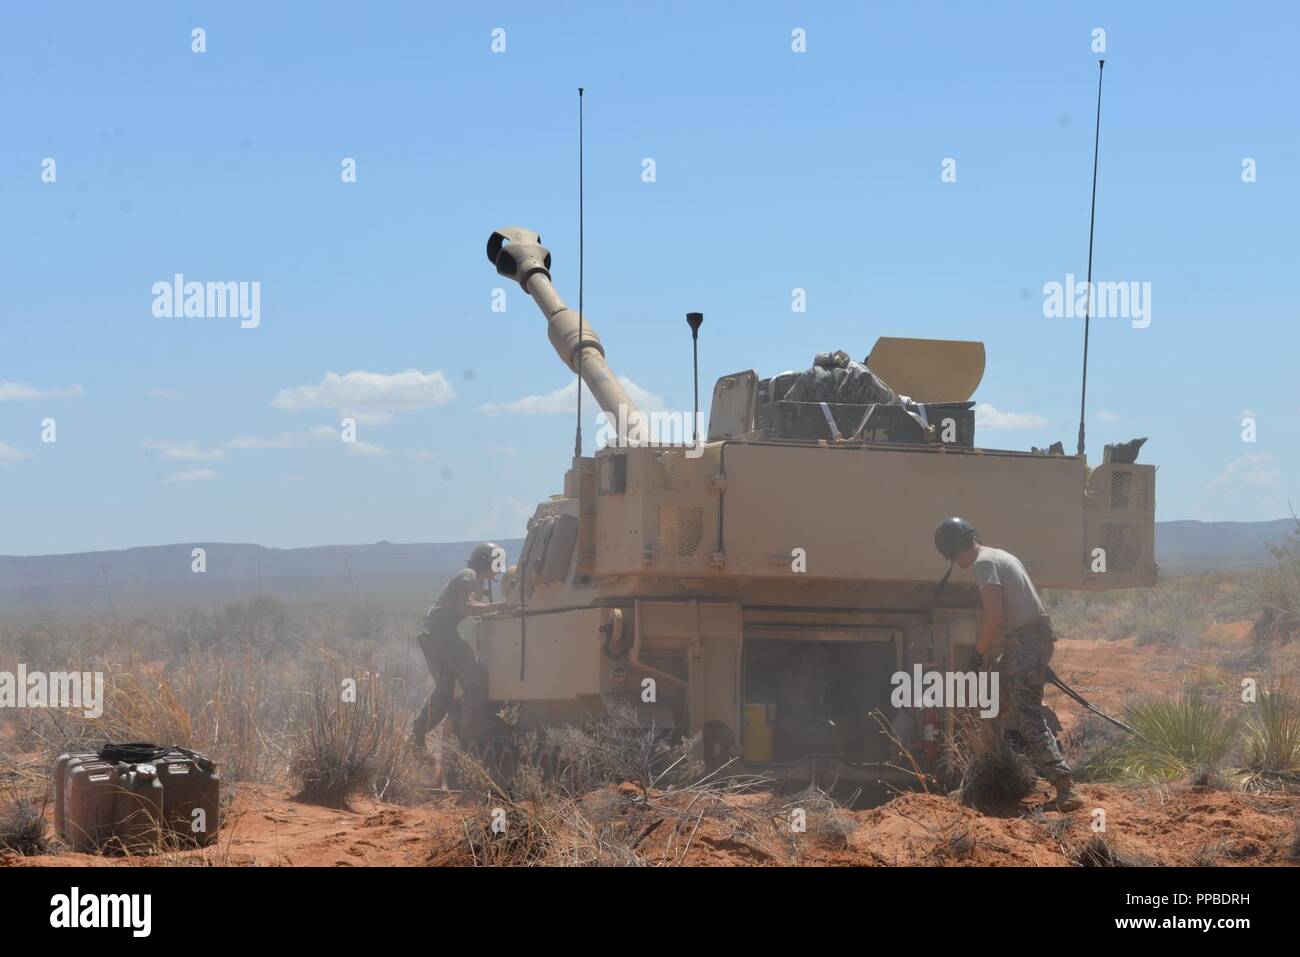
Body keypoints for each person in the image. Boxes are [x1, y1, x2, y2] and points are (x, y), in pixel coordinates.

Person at [933, 517, 1084, 812]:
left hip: (1025, 642)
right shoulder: (999, 554)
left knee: (1026, 712)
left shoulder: (984, 564)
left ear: (952, 550)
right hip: (1026, 642)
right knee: (991, 703)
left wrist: (978, 653)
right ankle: (985, 781)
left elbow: (994, 617)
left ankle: (1066, 787)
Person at [410, 542, 507, 753]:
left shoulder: (474, 578)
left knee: (445, 692)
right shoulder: (470, 575)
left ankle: (417, 735)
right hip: (441, 634)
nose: (498, 568)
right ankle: (471, 738)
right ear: (485, 561)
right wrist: (501, 606)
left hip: (433, 635)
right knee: (475, 678)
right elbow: (467, 605)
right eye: (496, 563)